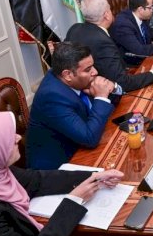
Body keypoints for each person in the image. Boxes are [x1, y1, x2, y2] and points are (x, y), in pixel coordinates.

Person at [26, 42, 118, 170]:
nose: (95, 72)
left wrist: (112, 89)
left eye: (92, 66)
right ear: (67, 75)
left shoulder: (70, 77)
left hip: (80, 146)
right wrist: (101, 97)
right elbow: (89, 138)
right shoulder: (52, 97)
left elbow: (113, 102)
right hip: (58, 168)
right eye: (88, 70)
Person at [66, 0, 153, 92]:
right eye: (110, 9)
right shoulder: (103, 43)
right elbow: (123, 82)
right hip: (108, 93)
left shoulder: (74, 28)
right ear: (106, 15)